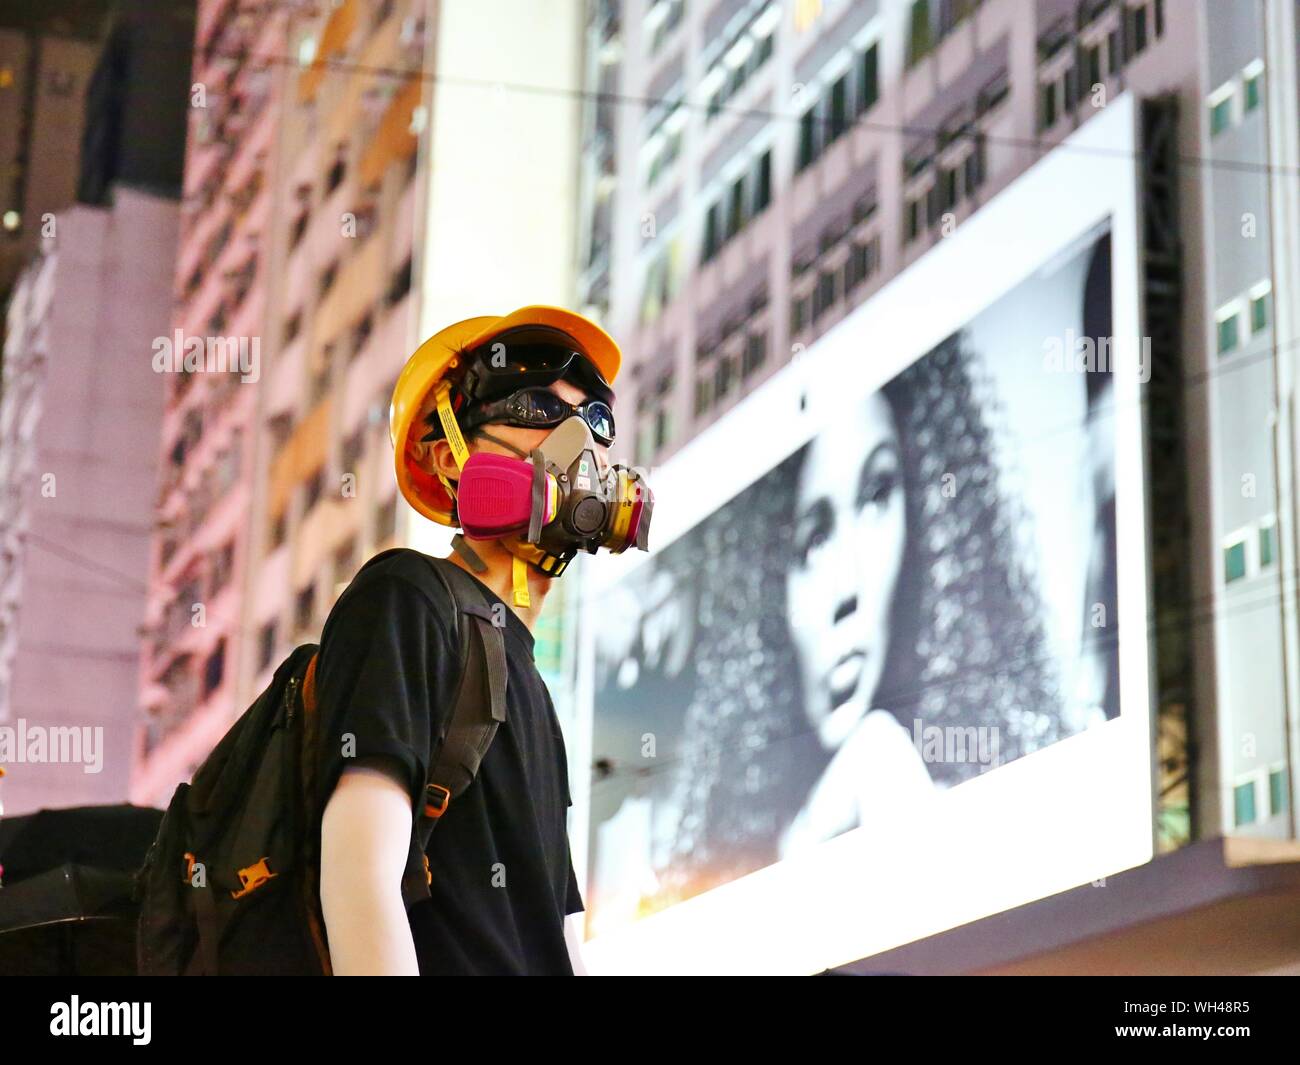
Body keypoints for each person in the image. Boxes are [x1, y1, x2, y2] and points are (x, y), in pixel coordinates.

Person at [311, 305, 652, 975]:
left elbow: (554, 937)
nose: (578, 440)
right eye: (535, 407)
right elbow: (357, 875)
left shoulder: (532, 685)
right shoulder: (408, 599)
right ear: (449, 458)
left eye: (597, 418)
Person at [660, 333, 1063, 899]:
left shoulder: (1019, 822)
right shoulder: (714, 882)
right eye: (812, 541)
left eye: (877, 496)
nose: (846, 587)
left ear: (925, 520)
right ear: (765, 601)